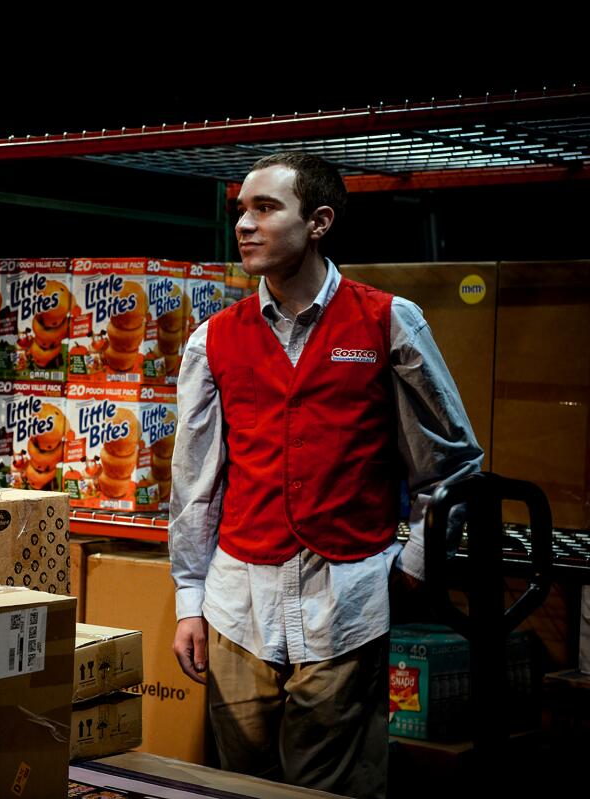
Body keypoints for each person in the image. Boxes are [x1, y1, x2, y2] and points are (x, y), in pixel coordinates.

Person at [169, 152, 482, 798]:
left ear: (319, 221)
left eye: (265, 208)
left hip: (345, 600)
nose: (245, 226)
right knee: (238, 784)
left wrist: (415, 564)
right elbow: (194, 487)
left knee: (330, 787)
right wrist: (188, 602)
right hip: (238, 600)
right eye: (240, 211)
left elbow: (452, 462)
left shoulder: (388, 320)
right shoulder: (212, 340)